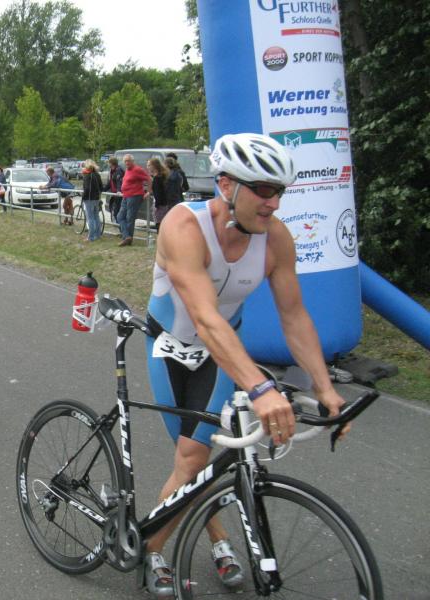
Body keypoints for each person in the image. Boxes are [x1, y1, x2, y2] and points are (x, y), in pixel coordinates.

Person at [141, 133, 349, 598]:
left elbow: (294, 316)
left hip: (220, 354)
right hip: (170, 349)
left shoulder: (276, 239)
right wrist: (260, 388)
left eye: (280, 191)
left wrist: (325, 387)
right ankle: (168, 545)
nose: (274, 203)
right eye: (264, 189)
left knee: (193, 461)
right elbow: (204, 317)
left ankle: (170, 540)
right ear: (226, 185)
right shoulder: (184, 225)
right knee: (192, 460)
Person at [116, 154, 150, 246]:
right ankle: (127, 236)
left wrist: (149, 191)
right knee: (120, 216)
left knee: (130, 218)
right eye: (125, 161)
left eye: (128, 161)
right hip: (126, 196)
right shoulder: (127, 170)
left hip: (134, 196)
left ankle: (128, 239)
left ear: (133, 161)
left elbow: (149, 178)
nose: (127, 163)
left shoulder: (137, 169)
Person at [146, 158, 171, 232]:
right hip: (165, 203)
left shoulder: (157, 178)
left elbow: (158, 193)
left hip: (160, 205)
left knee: (159, 225)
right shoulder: (162, 176)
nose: (147, 167)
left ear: (154, 166)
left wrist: (156, 205)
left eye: (149, 165)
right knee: (163, 224)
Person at [81, 159, 103, 241]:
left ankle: (91, 237)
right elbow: (101, 187)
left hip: (89, 199)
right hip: (96, 198)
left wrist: (83, 196)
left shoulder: (87, 176)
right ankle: (98, 235)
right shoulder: (97, 174)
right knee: (96, 217)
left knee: (90, 218)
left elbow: (87, 189)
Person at [107, 157, 124, 222]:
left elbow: (119, 181)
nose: (108, 164)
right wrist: (103, 189)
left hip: (119, 194)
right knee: (115, 210)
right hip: (115, 194)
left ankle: (120, 225)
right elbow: (110, 182)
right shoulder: (112, 170)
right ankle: (118, 224)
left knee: (118, 211)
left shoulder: (118, 170)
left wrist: (119, 191)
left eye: (109, 163)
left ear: (111, 163)